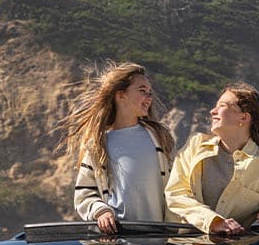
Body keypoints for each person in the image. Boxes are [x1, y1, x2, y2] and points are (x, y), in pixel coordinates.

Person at [165, 83, 259, 235]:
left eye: (222, 106)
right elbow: (176, 193)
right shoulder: (195, 147)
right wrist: (212, 221)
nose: (212, 111)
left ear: (243, 117)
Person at [59, 62, 176, 233]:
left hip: (160, 241)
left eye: (150, 92)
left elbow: (179, 185)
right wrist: (101, 211)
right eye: (142, 91)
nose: (149, 97)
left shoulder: (159, 137)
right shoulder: (98, 144)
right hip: (118, 243)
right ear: (121, 95)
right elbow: (84, 192)